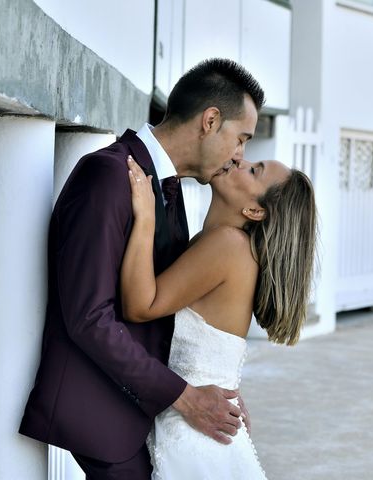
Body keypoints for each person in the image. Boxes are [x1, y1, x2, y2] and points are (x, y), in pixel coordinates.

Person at [19, 58, 265, 479]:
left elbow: (170, 305)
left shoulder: (169, 187)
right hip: (101, 419)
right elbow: (89, 318)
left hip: (141, 419)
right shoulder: (108, 175)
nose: (239, 155)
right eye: (240, 138)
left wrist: (215, 379)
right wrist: (184, 396)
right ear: (210, 121)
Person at [122, 154, 316, 479]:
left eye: (255, 171)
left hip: (191, 428)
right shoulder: (224, 244)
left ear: (255, 211)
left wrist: (144, 218)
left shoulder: (228, 244)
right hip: (196, 420)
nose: (240, 161)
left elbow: (141, 306)